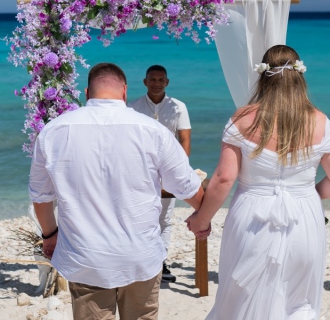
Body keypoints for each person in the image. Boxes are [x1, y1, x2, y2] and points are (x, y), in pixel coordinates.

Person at [186, 45, 330, 320]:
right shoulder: (320, 121)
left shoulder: (241, 119)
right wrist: (308, 195)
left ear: (262, 76)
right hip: (304, 217)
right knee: (298, 302)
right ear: (300, 75)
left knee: (242, 298)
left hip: (252, 216)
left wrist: (202, 220)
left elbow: (224, 179)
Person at [29, 63, 204, 320]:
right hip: (140, 254)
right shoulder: (153, 131)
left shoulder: (53, 131)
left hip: (86, 254)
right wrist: (203, 215)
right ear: (124, 92)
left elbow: (41, 196)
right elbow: (187, 187)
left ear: (87, 93)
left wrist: (50, 236)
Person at [128, 64, 191, 283]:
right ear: (145, 82)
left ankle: (161, 262)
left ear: (167, 82)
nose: (156, 83)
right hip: (139, 170)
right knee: (140, 215)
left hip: (168, 169)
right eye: (152, 79)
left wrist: (180, 170)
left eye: (160, 80)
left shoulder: (179, 107)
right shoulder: (133, 107)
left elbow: (184, 140)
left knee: (165, 218)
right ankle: (141, 261)